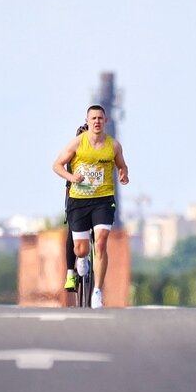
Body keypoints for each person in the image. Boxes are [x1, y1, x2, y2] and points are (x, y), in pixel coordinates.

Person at [53, 104, 129, 308]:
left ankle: (97, 291)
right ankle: (81, 261)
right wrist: (72, 177)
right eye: (93, 118)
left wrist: (123, 173)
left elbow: (122, 164)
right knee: (81, 249)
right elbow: (56, 165)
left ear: (105, 121)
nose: (97, 121)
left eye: (100, 118)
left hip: (103, 200)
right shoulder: (78, 143)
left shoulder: (113, 146)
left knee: (102, 242)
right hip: (79, 201)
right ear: (87, 121)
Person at [63, 123, 89, 292]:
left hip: (98, 200)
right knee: (72, 233)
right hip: (76, 199)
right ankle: (70, 273)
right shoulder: (73, 153)